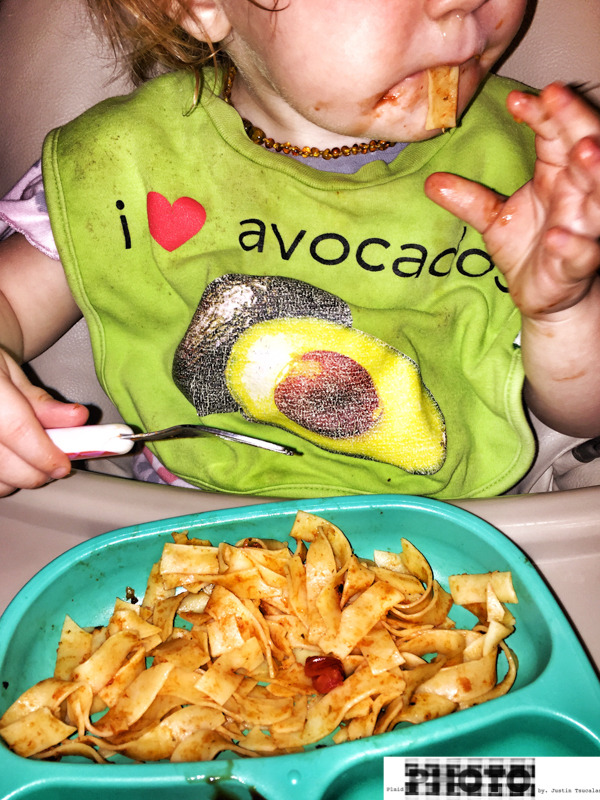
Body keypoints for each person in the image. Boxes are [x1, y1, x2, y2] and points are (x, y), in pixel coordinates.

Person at [0, 0, 599, 500]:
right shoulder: (125, 165)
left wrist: (562, 309)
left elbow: (584, 416)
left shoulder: (545, 171)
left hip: (470, 530)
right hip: (192, 522)